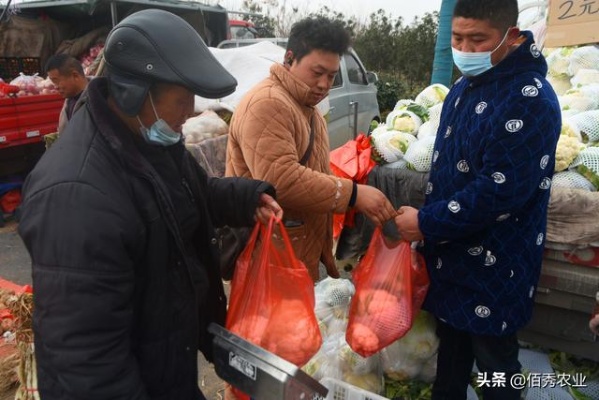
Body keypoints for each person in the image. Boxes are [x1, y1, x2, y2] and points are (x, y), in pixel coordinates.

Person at [18, 9, 282, 400]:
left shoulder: (150, 142)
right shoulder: (77, 197)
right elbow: (86, 365)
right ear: (133, 93)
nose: (190, 110)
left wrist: (246, 197)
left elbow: (195, 192)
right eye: (181, 98)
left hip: (166, 362)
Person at [394, 1, 561, 399]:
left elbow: (499, 191)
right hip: (451, 255)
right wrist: (431, 230)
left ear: (512, 35)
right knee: (450, 355)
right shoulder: (465, 87)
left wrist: (426, 222)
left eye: (478, 40)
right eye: (457, 38)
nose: (465, 50)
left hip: (496, 265)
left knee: (496, 365)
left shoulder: (530, 99)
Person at [226, 16, 396, 282]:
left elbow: (314, 171)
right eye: (317, 73)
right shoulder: (268, 104)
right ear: (290, 59)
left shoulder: (308, 108)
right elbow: (280, 180)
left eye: (331, 76)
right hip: (271, 256)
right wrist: (352, 194)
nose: (324, 84)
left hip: (296, 248)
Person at [45, 54, 89, 134]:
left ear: (75, 76)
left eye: (56, 81)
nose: (55, 87)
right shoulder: (69, 100)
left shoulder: (97, 99)